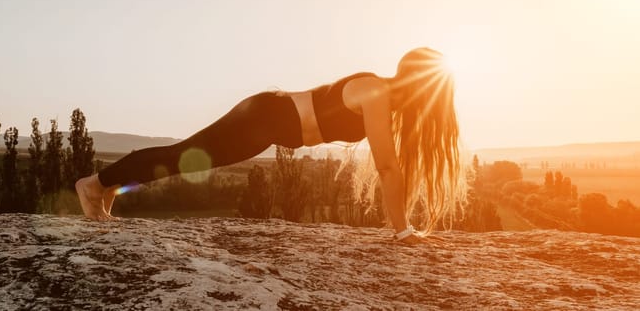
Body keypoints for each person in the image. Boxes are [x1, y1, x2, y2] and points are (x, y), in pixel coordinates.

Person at [75, 47, 467, 244]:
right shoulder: (377, 92)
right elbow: (387, 167)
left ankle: (105, 185)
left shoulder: (384, 97)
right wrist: (402, 233)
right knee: (183, 155)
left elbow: (392, 163)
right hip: (266, 117)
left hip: (268, 122)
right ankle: (95, 184)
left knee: (184, 159)